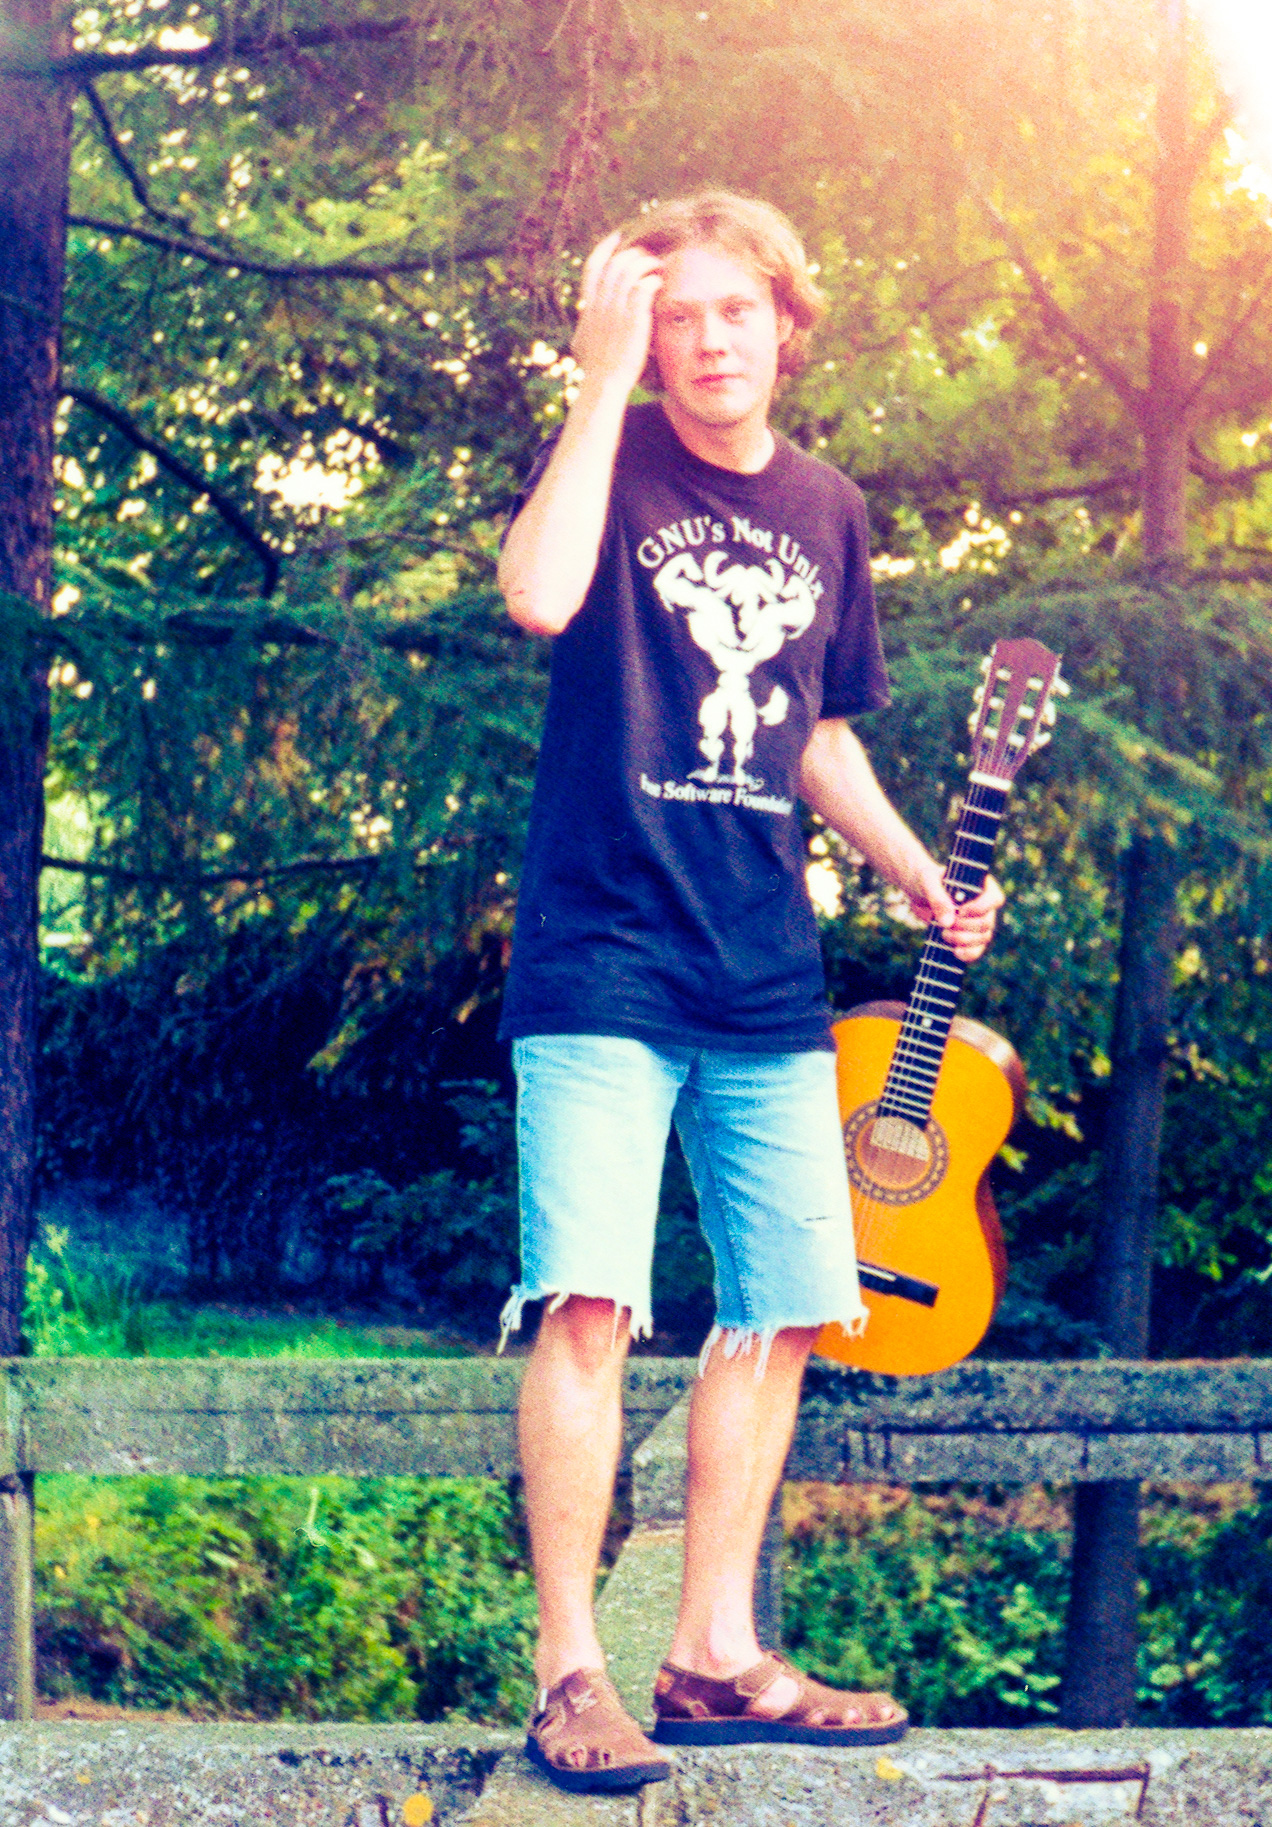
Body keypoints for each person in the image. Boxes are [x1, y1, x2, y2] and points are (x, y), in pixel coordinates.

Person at [495, 191, 1003, 1795]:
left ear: (786, 324)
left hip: (765, 972)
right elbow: (539, 595)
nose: (708, 342)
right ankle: (573, 1670)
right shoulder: (613, 463)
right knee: (589, 1300)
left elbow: (819, 732)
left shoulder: (828, 508)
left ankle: (713, 1649)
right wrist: (594, 383)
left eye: (734, 312)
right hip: (599, 957)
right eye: (677, 317)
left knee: (781, 1312)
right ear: (643, 336)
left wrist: (919, 872)